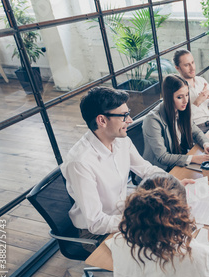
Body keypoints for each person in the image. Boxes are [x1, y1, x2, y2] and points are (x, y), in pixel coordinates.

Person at [60, 86, 189, 248]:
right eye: (124, 116)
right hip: (98, 233)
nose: (130, 121)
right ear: (102, 120)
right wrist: (141, 219)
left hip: (124, 212)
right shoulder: (80, 162)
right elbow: (96, 223)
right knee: (164, 246)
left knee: (177, 230)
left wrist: (173, 183)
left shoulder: (121, 141)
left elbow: (146, 169)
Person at [142, 74, 209, 171]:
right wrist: (194, 159)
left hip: (178, 162)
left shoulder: (181, 109)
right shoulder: (152, 120)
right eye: (179, 97)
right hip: (160, 171)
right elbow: (162, 157)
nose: (186, 100)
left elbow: (194, 131)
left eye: (187, 94)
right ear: (168, 97)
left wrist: (206, 144)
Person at [174, 49, 209, 133]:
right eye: (187, 65)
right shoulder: (176, 87)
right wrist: (197, 102)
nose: (192, 68)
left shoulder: (201, 81)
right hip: (194, 130)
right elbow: (179, 119)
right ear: (177, 68)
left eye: (193, 63)